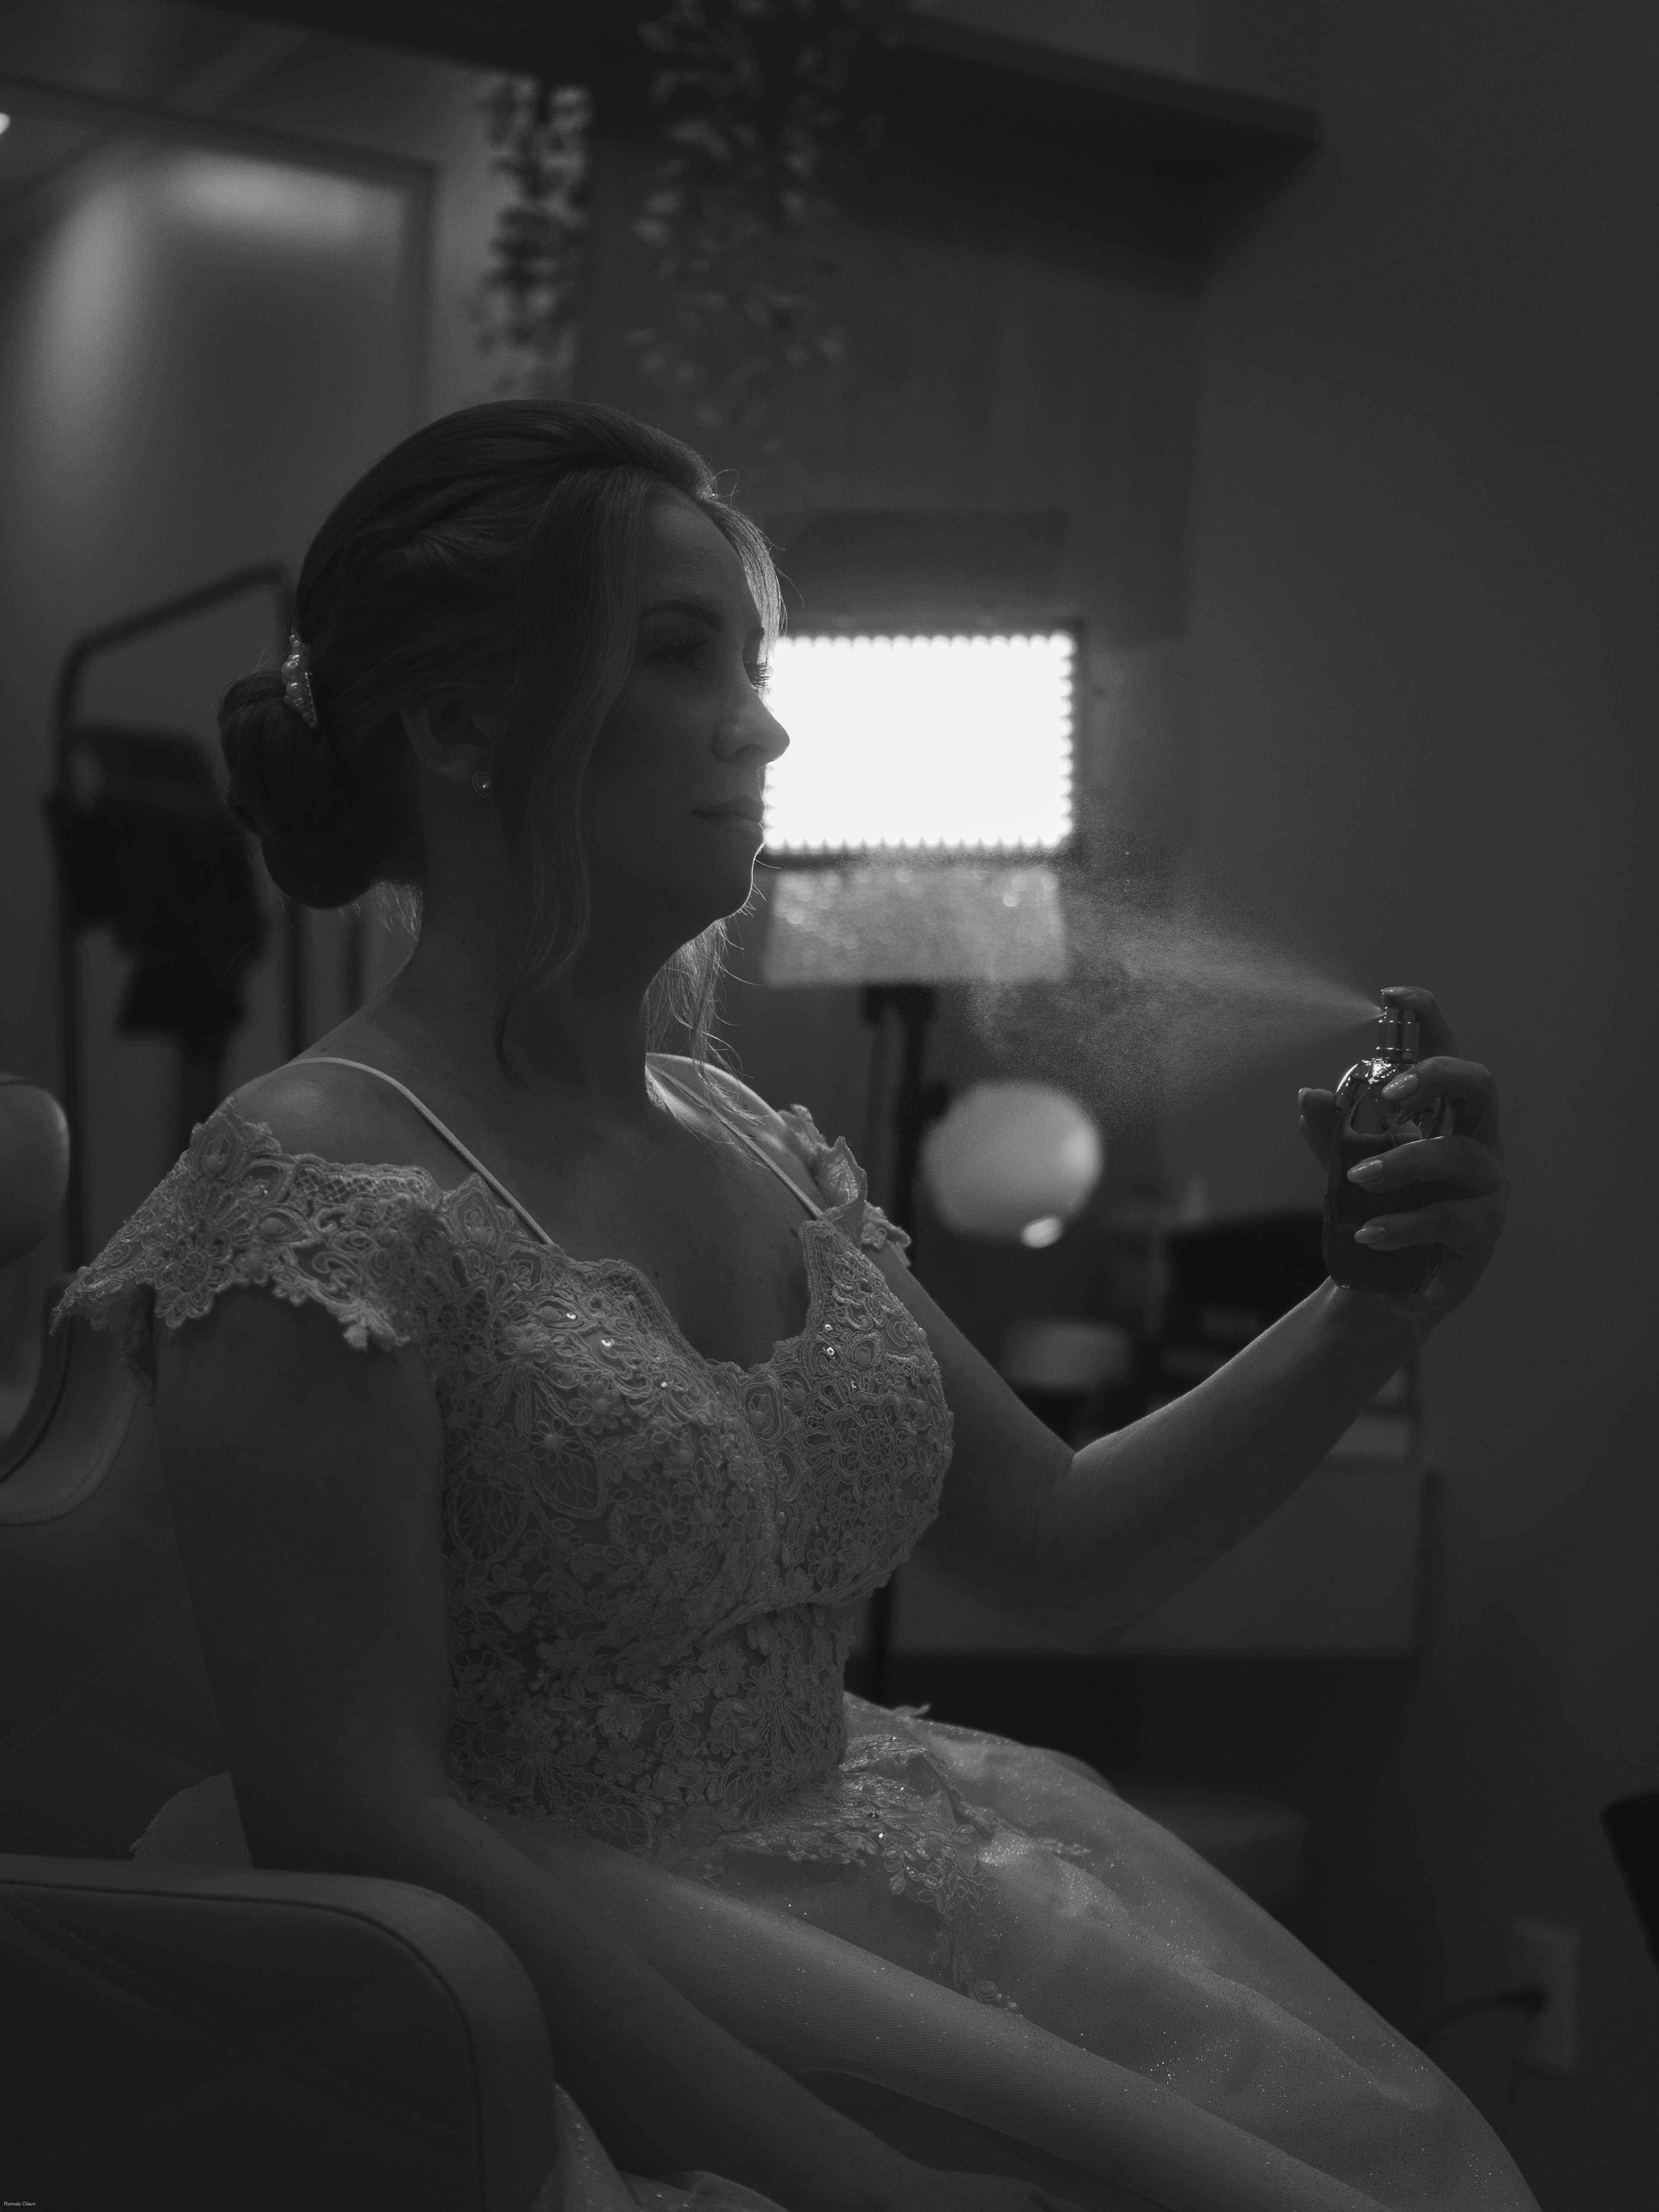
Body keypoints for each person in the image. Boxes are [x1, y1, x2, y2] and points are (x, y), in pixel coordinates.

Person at [62, 401, 1531, 2212]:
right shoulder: (313, 1189)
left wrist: (1366, 1309)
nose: (762, 723)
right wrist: (844, 2177)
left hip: (893, 1902)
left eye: (751, 663)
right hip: (577, 2012)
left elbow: (1071, 1554)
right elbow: (356, 1808)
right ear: (457, 727)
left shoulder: (749, 1134)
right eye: (680, 654)